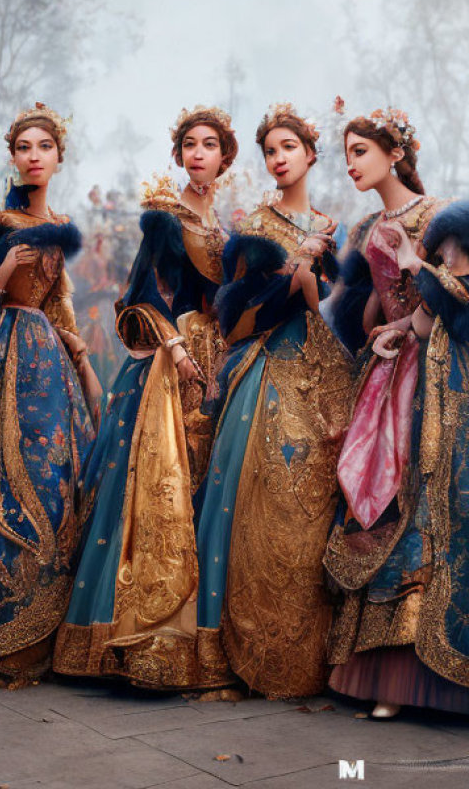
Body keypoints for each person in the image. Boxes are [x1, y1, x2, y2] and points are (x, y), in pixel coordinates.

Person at [54, 106, 238, 687]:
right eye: (189, 143)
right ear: (179, 153)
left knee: (204, 491)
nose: (199, 153)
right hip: (169, 362)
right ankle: (138, 636)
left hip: (217, 362)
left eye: (209, 144)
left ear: (226, 157)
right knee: (159, 489)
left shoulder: (226, 226)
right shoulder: (165, 217)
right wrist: (178, 349)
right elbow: (138, 293)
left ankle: (201, 635)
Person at [0, 103, 99, 687]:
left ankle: (38, 632)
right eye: (23, 147)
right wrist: (1, 272)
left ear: (58, 157)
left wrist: (83, 361)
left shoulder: (58, 226)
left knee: (53, 482)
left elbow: (59, 307)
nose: (33, 156)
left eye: (43, 147)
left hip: (48, 366)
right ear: (13, 157)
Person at [193, 104, 353, 700]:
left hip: (327, 379)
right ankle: (242, 652)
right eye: (270, 150)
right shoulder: (254, 228)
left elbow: (341, 313)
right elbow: (234, 325)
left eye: (289, 147)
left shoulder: (333, 226)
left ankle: (310, 659)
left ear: (311, 155)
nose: (279, 158)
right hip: (268, 376)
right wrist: (294, 273)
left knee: (315, 509)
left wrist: (321, 275)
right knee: (259, 505)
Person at [324, 109, 458, 718]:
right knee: (375, 502)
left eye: (359, 150)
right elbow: (372, 311)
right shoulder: (362, 229)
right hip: (389, 371)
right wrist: (377, 334)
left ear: (392, 153)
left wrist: (413, 277)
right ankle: (383, 673)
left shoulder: (437, 217)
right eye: (345, 152)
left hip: (435, 377)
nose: (350, 162)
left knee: (421, 500)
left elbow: (448, 305)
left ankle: (425, 665)